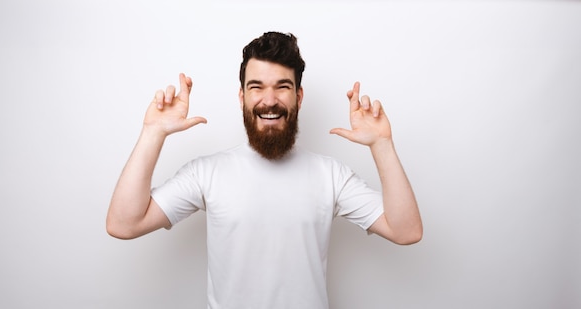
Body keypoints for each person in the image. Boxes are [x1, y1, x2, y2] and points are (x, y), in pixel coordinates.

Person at [106, 31, 422, 309]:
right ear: (242, 97)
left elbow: (406, 230)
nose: (269, 100)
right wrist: (153, 132)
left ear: (298, 97)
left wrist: (382, 144)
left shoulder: (331, 176)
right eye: (256, 87)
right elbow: (124, 224)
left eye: (282, 87)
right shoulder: (207, 173)